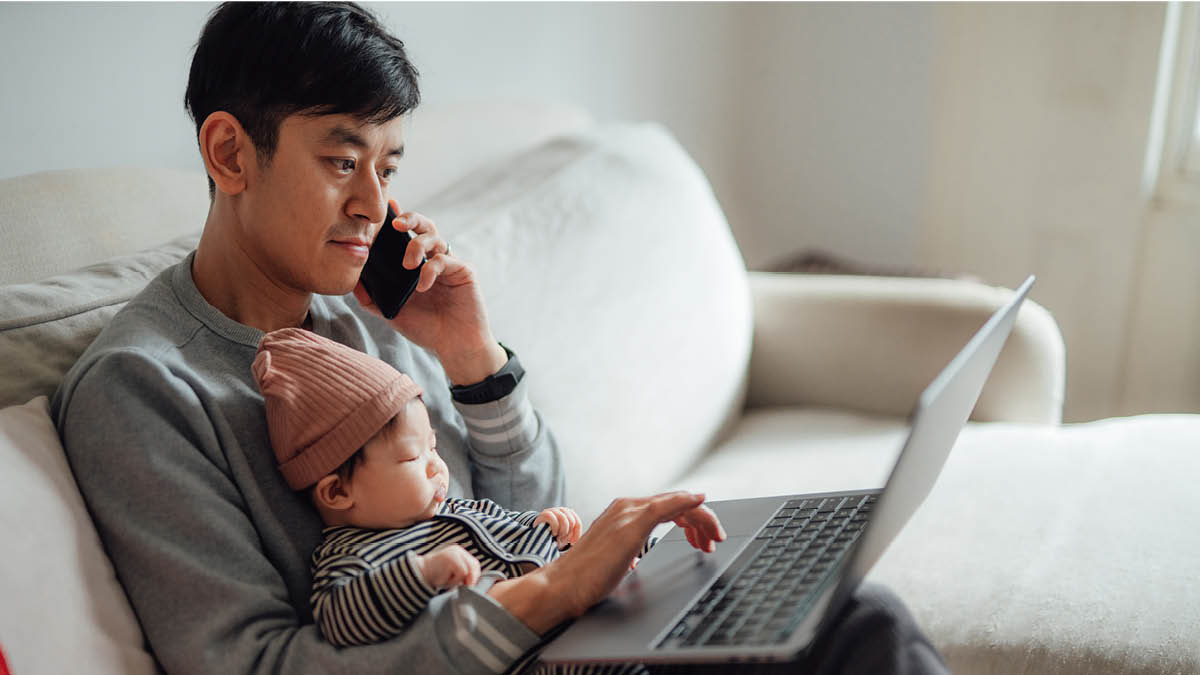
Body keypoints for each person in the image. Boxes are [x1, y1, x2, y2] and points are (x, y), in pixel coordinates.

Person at [51, 3, 949, 674]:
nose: (373, 205)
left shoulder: (368, 317)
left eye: (388, 167)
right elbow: (254, 664)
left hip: (568, 642)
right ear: (230, 153)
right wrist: (546, 596)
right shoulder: (141, 389)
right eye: (339, 160)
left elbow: (526, 514)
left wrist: (470, 359)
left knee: (854, 615)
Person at [253, 328, 686, 675]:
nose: (436, 467)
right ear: (337, 492)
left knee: (656, 552)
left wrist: (546, 527)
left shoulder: (458, 510)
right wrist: (421, 575)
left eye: (434, 448)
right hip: (540, 655)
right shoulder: (351, 556)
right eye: (411, 456)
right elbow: (342, 620)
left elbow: (513, 534)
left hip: (577, 614)